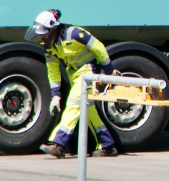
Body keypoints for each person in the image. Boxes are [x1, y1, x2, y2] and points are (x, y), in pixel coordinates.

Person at [25, 9, 119, 158]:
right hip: (75, 75)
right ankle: (107, 145)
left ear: (53, 29)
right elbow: (53, 70)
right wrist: (55, 95)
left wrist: (108, 70)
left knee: (74, 104)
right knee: (88, 110)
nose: (42, 39)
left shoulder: (74, 34)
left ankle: (59, 144)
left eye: (44, 35)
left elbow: (98, 47)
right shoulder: (49, 46)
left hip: (90, 71)